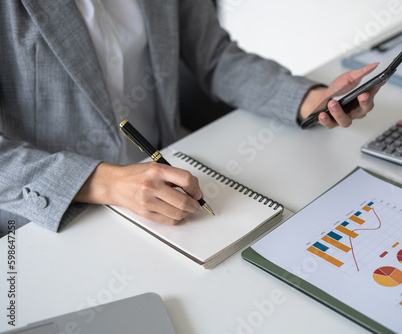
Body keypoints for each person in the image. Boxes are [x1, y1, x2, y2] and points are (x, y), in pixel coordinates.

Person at [0, 0, 381, 236]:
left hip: (169, 167)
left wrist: (307, 99)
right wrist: (107, 182)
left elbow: (214, 57)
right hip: (56, 212)